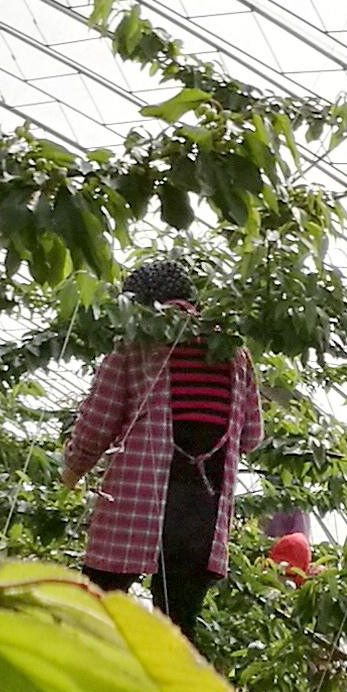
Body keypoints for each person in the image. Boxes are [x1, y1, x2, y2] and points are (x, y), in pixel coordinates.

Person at [60, 258, 259, 636]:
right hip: (205, 504)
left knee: (96, 604)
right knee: (177, 625)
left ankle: (84, 669)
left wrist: (73, 470)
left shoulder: (136, 340)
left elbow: (98, 422)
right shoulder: (234, 351)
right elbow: (250, 436)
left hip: (137, 498)